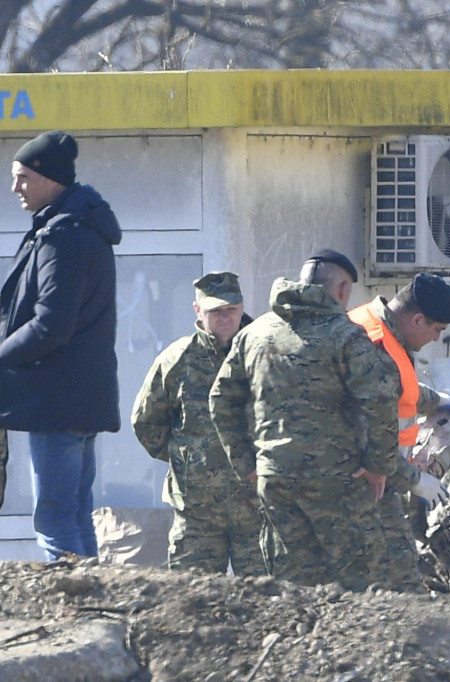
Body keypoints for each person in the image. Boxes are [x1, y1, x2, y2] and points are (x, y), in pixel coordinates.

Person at [209, 252, 399, 589]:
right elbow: (381, 400)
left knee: (293, 590)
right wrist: (379, 465)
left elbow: (221, 399)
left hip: (275, 480)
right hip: (337, 481)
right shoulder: (345, 336)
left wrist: (247, 464)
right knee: (363, 586)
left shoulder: (254, 333)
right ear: (341, 289)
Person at [0, 131, 121, 560]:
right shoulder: (80, 228)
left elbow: (52, 324)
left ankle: (75, 615)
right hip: (76, 399)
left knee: (54, 520)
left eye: (22, 177)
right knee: (73, 515)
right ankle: (94, 612)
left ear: (49, 178)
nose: (15, 187)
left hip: (57, 402)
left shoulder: (63, 237)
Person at [131, 272, 264, 576]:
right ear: (197, 310)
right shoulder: (177, 360)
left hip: (256, 508)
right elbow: (146, 422)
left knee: (266, 602)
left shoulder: (263, 354)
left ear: (242, 307)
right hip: (197, 514)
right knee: (192, 603)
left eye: (231, 309)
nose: (224, 317)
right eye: (215, 311)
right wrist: (188, 459)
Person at [349, 272, 450, 591]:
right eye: (437, 330)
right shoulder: (377, 349)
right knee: (398, 579)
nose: (437, 339)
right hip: (364, 482)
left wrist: (437, 401)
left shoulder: (372, 324)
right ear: (417, 319)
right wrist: (416, 481)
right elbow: (363, 440)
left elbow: (397, 390)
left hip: (378, 478)